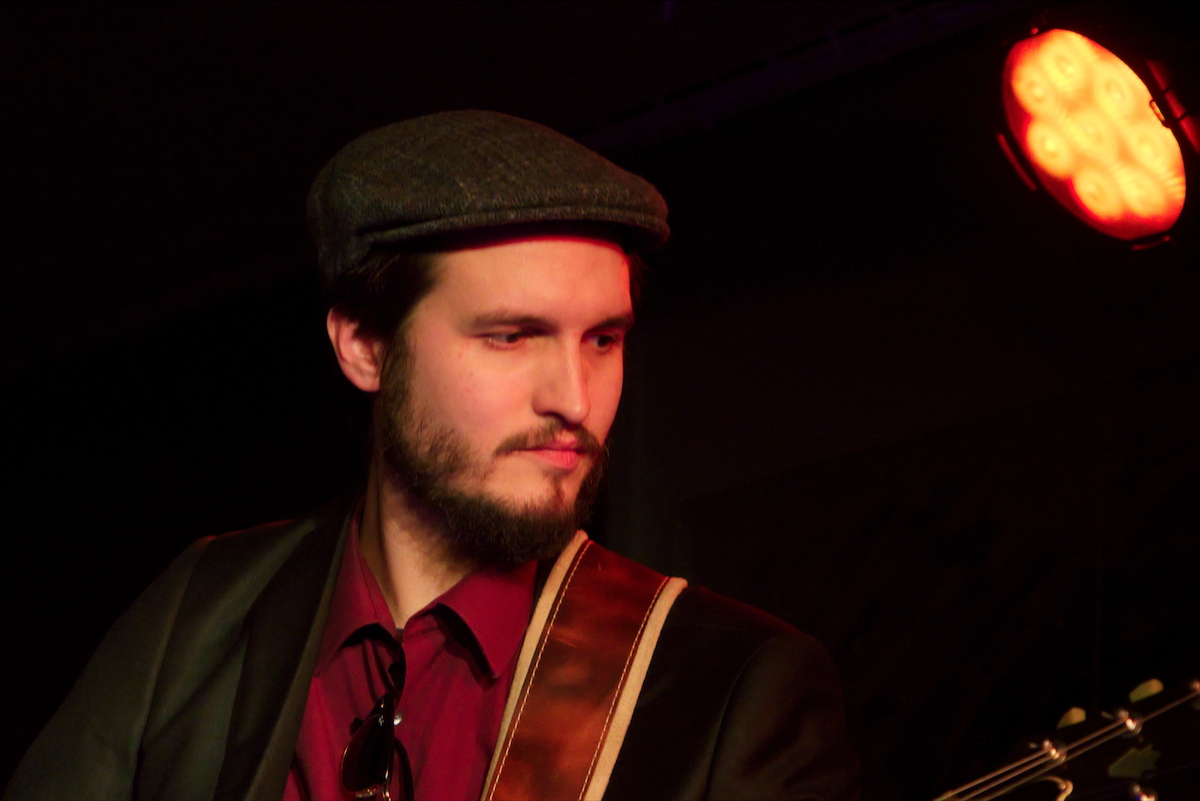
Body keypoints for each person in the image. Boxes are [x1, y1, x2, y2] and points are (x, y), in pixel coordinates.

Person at [6, 111, 859, 801]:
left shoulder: (728, 685)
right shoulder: (201, 614)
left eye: (603, 339)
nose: (574, 397)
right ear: (365, 346)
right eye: (511, 336)